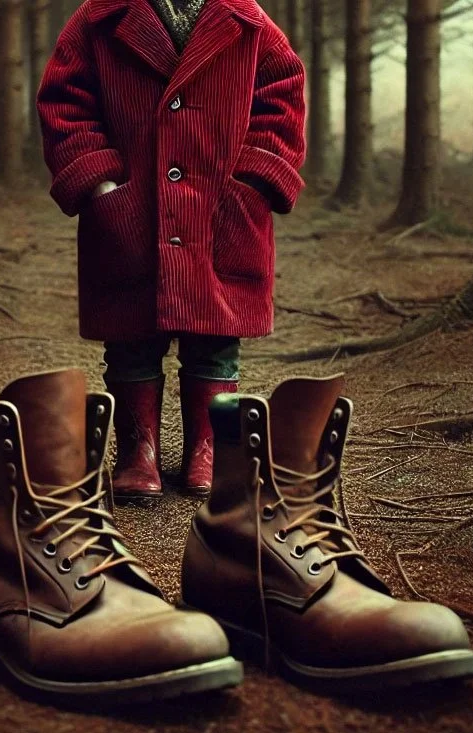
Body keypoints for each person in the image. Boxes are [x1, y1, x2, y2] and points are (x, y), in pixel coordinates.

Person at [36, 0, 307, 498]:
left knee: (216, 332)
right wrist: (99, 184)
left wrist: (253, 180)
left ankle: (210, 449)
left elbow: (283, 98)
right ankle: (138, 453)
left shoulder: (249, 21)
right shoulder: (99, 18)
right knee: (130, 333)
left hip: (221, 207)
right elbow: (64, 103)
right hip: (129, 207)